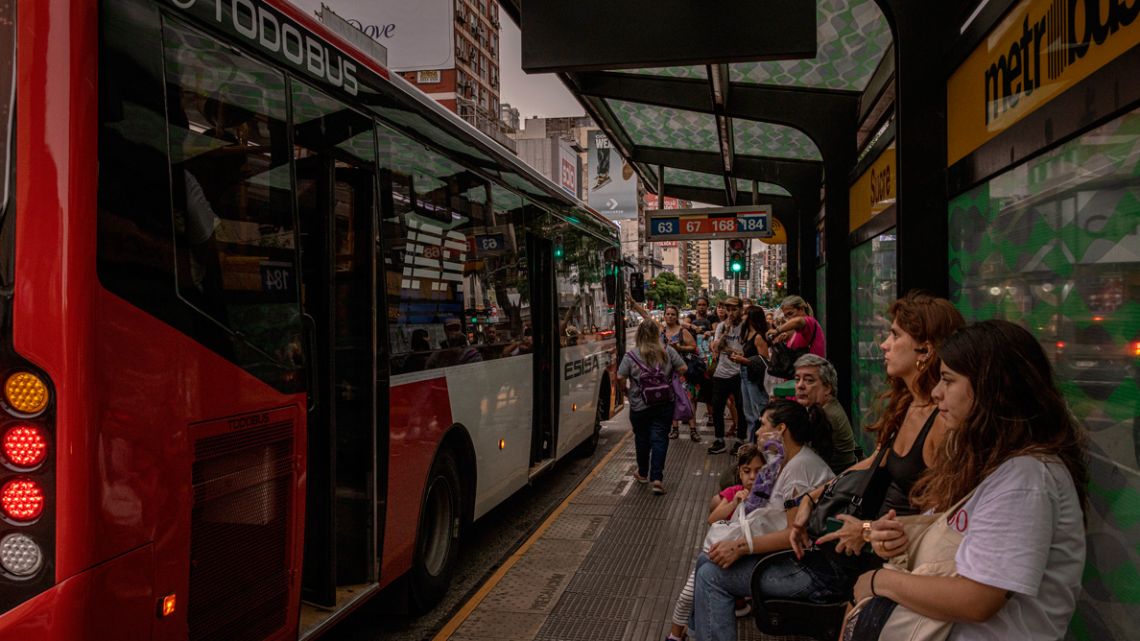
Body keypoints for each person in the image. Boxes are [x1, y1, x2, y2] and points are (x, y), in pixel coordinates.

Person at [856, 320, 1088, 640]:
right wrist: (900, 538)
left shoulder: (1026, 479)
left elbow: (977, 599)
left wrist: (876, 582)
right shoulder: (996, 464)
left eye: (948, 381)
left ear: (993, 387)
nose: (937, 393)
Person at [755, 292, 966, 604]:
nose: (884, 344)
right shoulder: (907, 404)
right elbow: (873, 463)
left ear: (926, 349)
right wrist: (811, 499)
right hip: (860, 553)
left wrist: (866, 531)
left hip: (896, 570)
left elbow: (944, 523)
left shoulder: (944, 422)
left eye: (895, 335)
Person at [689, 400, 836, 641]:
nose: (757, 431)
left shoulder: (800, 469)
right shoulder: (787, 462)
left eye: (763, 424)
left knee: (710, 576)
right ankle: (699, 632)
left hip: (811, 571)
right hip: (799, 561)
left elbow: (794, 536)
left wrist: (740, 547)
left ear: (781, 430)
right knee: (707, 558)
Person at [667, 444, 767, 641]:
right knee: (689, 594)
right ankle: (675, 635)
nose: (752, 477)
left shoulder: (767, 497)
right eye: (747, 471)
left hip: (741, 556)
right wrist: (735, 502)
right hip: (717, 553)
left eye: (758, 471)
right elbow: (712, 518)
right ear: (739, 472)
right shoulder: (735, 492)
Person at [616, 319, 687, 495]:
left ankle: (642, 473)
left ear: (639, 335)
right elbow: (683, 368)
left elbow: (619, 377)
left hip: (639, 405)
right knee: (660, 439)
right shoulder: (667, 352)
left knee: (642, 439)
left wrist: (625, 391)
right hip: (664, 403)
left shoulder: (631, 355)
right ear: (657, 335)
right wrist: (669, 379)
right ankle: (657, 479)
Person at [792, 354, 858, 473]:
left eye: (809, 380)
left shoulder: (826, 415)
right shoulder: (822, 407)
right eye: (797, 379)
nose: (800, 385)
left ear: (827, 388)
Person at [708, 297, 746, 455]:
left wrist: (730, 351)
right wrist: (725, 331)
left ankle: (741, 440)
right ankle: (719, 440)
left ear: (740, 310)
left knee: (741, 407)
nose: (730, 313)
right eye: (728, 309)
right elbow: (716, 347)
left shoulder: (745, 327)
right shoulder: (722, 326)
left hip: (739, 373)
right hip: (721, 372)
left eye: (734, 309)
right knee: (717, 407)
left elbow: (744, 352)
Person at [728, 306, 770, 443]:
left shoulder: (758, 336)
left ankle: (759, 443)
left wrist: (743, 360)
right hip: (745, 373)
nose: (743, 316)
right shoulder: (748, 334)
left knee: (758, 411)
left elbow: (764, 361)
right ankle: (752, 443)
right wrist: (739, 356)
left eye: (746, 314)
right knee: (749, 414)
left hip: (754, 377)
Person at [660, 305, 700, 440]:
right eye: (668, 314)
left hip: (682, 371)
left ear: (677, 316)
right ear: (664, 316)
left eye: (673, 314)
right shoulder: (662, 331)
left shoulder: (683, 331)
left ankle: (693, 430)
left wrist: (679, 348)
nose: (670, 316)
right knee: (670, 400)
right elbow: (646, 317)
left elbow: (694, 347)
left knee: (687, 400)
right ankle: (674, 429)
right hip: (666, 372)